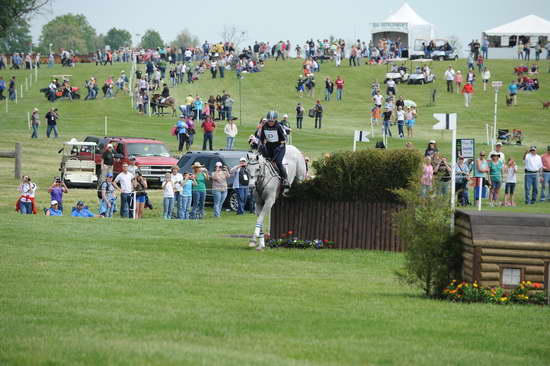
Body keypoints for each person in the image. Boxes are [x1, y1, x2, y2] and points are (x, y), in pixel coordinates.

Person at [259, 111, 288, 187]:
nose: (270, 122)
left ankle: (285, 178)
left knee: (278, 162)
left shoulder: (279, 126)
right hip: (269, 147)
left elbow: (284, 139)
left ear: (275, 120)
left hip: (279, 147)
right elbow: (262, 138)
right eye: (269, 121)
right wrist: (262, 145)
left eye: (272, 121)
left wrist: (280, 146)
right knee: (265, 162)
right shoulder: (264, 126)